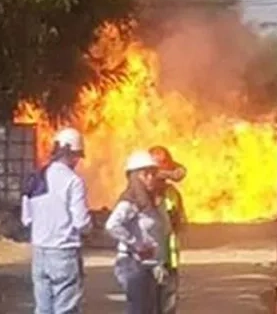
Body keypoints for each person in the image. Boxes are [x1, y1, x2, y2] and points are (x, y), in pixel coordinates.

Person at [22, 127, 91, 314]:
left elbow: (26, 219)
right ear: (73, 155)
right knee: (65, 308)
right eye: (77, 156)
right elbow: (81, 222)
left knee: (43, 308)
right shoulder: (73, 181)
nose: (77, 161)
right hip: (64, 251)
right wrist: (90, 228)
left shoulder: (36, 178)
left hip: (39, 252)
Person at [106, 150, 171, 314]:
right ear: (134, 176)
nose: (150, 178)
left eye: (152, 173)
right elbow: (112, 225)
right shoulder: (130, 201)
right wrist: (136, 244)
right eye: (145, 174)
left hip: (150, 266)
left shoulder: (153, 200)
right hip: (133, 265)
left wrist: (159, 262)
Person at [148, 146, 186, 314]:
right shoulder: (140, 194)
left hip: (169, 260)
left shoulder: (172, 194)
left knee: (168, 305)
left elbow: (181, 222)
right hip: (146, 261)